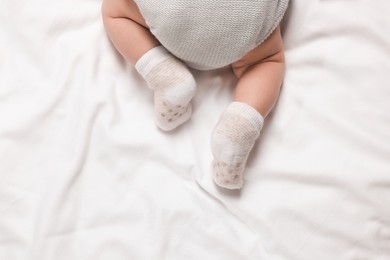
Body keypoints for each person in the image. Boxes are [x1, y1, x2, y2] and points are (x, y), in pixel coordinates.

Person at [102, 0, 289, 189]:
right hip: (247, 23)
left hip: (172, 14)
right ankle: (237, 129)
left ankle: (167, 76)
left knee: (115, 12)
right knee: (265, 62)